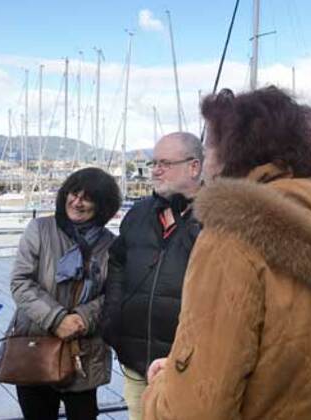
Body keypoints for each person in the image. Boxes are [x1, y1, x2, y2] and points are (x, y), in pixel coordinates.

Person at [142, 87, 311, 419]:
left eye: (209, 146)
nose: (205, 160)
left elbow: (198, 409)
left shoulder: (231, 232)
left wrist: (161, 388)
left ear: (231, 150)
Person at [2, 167, 121, 420]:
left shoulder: (110, 244)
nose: (77, 202)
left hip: (84, 351)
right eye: (73, 194)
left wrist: (82, 318)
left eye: (87, 198)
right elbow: (21, 282)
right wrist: (57, 319)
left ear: (102, 205)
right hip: (35, 345)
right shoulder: (40, 229)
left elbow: (114, 294)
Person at [102, 132, 203, 420]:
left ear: (194, 167)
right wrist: (113, 315)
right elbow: (117, 263)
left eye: (165, 163)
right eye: (153, 163)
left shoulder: (217, 218)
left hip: (189, 364)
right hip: (136, 360)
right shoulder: (139, 213)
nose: (156, 170)